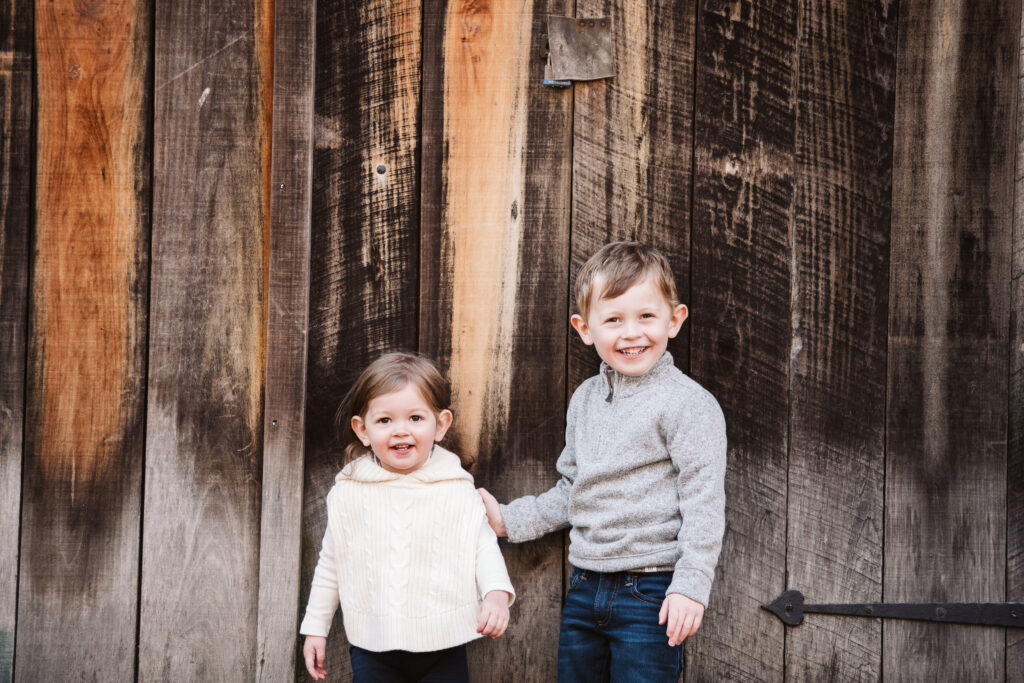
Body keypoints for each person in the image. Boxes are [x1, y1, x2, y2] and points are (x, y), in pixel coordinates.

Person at [478, 241, 726, 682]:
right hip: (585, 585)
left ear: (675, 319)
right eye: (613, 319)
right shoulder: (586, 399)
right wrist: (509, 521)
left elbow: (703, 503)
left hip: (651, 591)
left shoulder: (688, 404)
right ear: (585, 328)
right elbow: (573, 490)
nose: (631, 333)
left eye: (646, 316)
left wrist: (691, 585)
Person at [300, 352, 515, 682]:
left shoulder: (455, 487)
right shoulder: (349, 492)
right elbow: (332, 563)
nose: (400, 431)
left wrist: (497, 596)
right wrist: (316, 628)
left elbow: (482, 547)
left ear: (440, 424)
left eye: (415, 418)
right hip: (374, 644)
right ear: (363, 430)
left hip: (444, 641)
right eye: (385, 421)